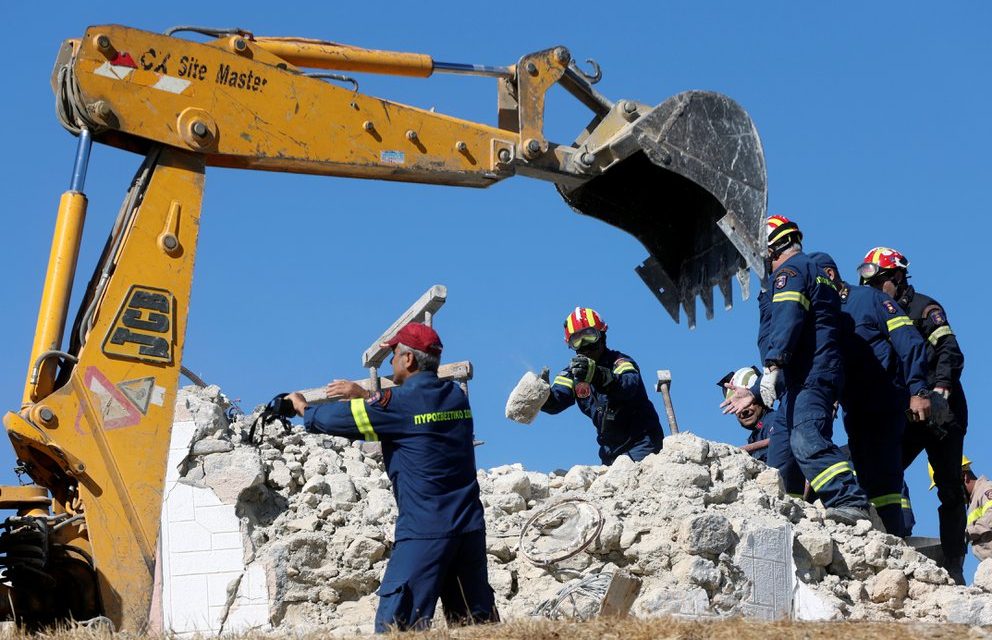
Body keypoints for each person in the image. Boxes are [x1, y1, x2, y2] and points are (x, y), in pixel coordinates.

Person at [284, 322, 498, 632]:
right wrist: (368, 396)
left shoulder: (396, 407)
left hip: (425, 529)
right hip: (469, 528)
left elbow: (337, 420)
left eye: (394, 355)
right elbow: (405, 416)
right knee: (476, 625)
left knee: (398, 625)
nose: (391, 362)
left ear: (409, 360)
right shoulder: (455, 398)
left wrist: (302, 407)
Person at [723, 215, 870, 524]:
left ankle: (849, 499)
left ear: (770, 248)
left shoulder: (791, 271)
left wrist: (773, 363)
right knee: (780, 461)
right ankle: (787, 517)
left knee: (806, 439)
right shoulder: (803, 271)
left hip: (810, 376)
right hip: (798, 379)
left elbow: (787, 319)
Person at [858, 247, 968, 583]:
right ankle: (887, 547)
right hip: (907, 414)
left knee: (950, 487)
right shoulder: (878, 316)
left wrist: (939, 391)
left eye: (880, 283)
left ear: (896, 277)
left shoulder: (925, 308)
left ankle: (953, 561)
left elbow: (949, 350)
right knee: (882, 472)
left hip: (941, 411)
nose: (875, 291)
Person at [810, 252, 930, 537]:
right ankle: (879, 542)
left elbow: (910, 342)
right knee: (866, 477)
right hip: (857, 411)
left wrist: (918, 390)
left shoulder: (869, 299)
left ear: (828, 275)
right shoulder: (825, 313)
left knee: (886, 479)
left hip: (885, 402)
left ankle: (895, 540)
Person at [541, 307, 664, 465]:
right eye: (577, 340)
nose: (585, 344)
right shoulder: (573, 374)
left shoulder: (620, 362)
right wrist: (541, 395)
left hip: (642, 443)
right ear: (571, 345)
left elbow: (628, 386)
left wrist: (600, 376)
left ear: (602, 335)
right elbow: (556, 401)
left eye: (589, 335)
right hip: (610, 452)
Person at [717, 367, 772, 463]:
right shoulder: (756, 435)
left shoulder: (773, 422)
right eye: (736, 406)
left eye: (746, 402)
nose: (743, 410)